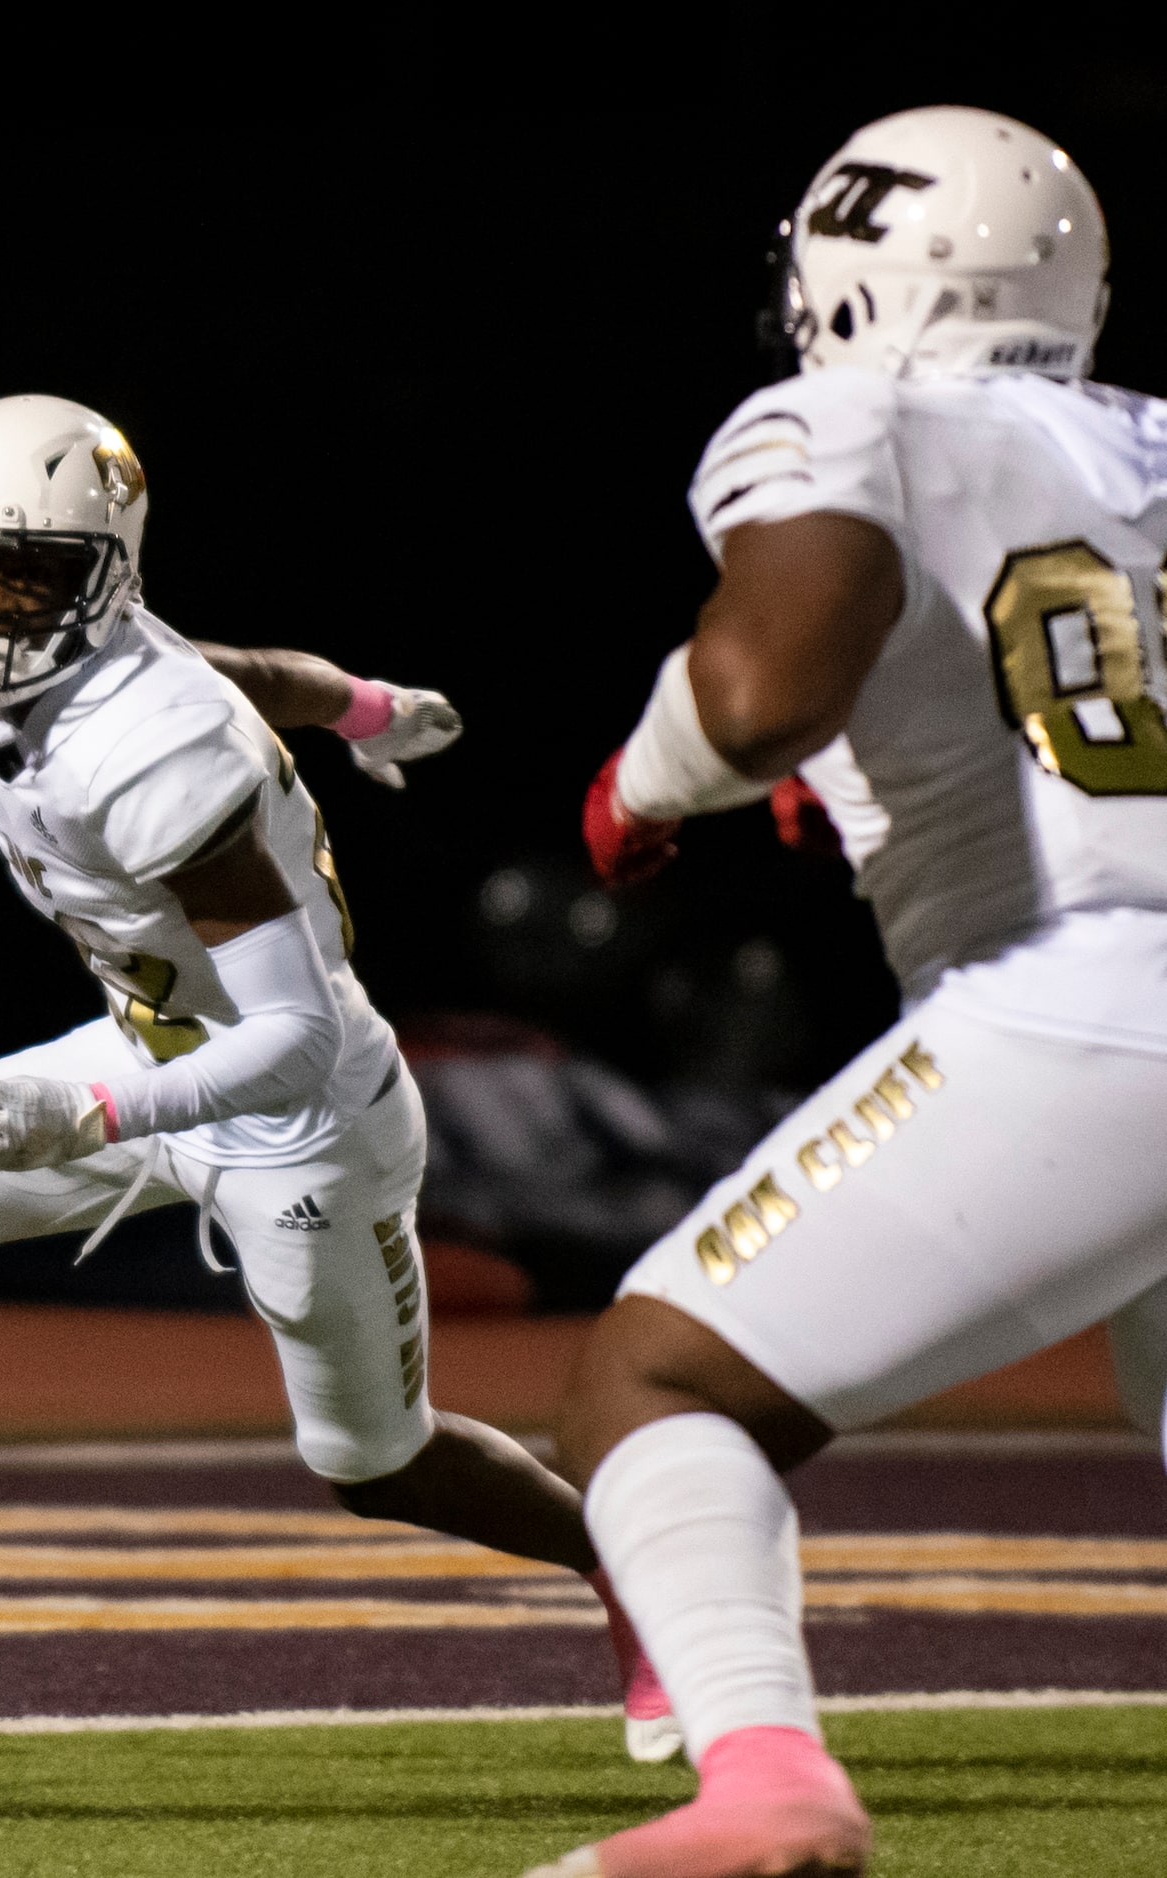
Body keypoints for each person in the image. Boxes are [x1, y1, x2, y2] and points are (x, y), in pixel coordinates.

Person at [0, 394, 674, 1759]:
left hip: (295, 1121)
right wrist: (362, 703)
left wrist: (82, 1111)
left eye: (20, 573)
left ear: (95, 576)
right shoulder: (47, 668)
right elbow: (234, 667)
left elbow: (293, 1040)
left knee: (374, 1461)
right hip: (147, 1049)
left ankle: (652, 1587)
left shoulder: (151, 750)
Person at [540, 106, 1167, 1878]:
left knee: (653, 1384)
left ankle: (761, 1782)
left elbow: (757, 685)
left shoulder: (852, 410)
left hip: (1094, 994)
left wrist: (647, 780)